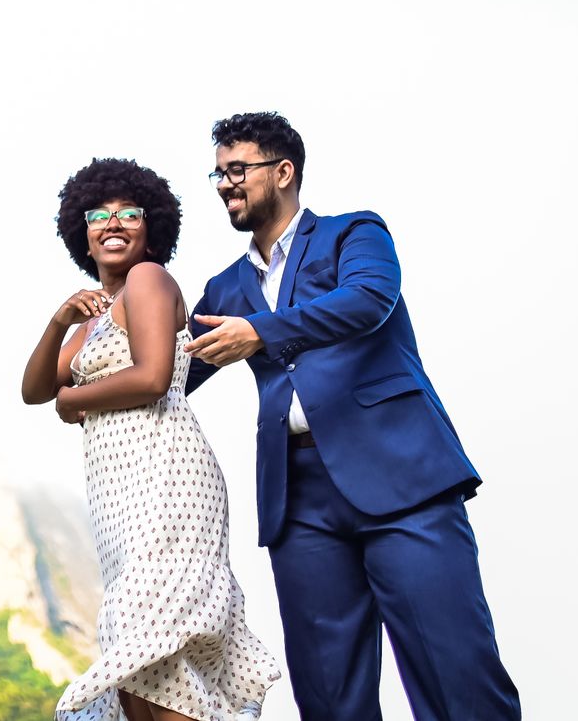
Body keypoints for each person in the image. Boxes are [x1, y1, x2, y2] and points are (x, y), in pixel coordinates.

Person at [183, 112, 519, 721]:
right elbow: (170, 374)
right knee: (328, 695)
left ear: (283, 172)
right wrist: (91, 338)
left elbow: (367, 300)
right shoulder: (224, 288)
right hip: (299, 499)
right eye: (218, 172)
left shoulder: (353, 234)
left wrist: (259, 331)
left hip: (401, 476)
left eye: (238, 169)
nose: (225, 184)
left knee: (457, 675)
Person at [21, 157, 279, 721]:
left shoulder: (148, 279)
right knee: (140, 668)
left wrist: (75, 401)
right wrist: (60, 320)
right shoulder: (91, 319)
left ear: (150, 225)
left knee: (154, 645)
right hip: (118, 498)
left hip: (166, 477)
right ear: (81, 232)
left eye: (129, 213)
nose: (113, 223)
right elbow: (35, 390)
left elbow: (153, 375)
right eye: (99, 214)